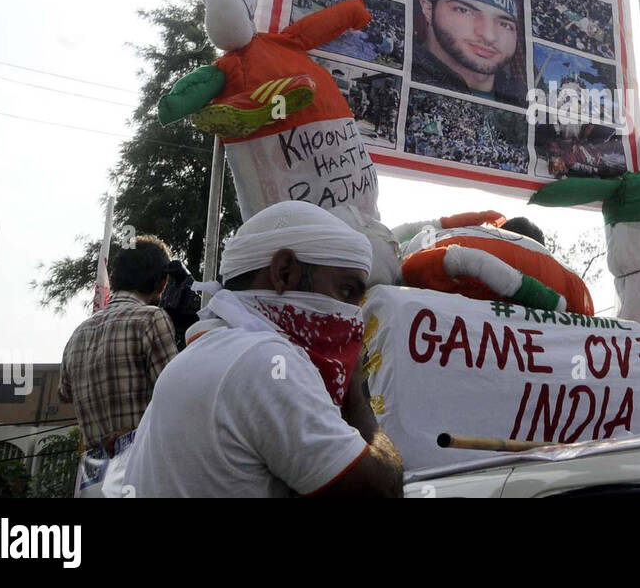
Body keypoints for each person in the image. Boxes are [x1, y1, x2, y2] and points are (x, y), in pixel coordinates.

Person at [119, 201, 404, 497]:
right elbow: (381, 490)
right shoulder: (265, 361)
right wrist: (353, 391)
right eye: (346, 291)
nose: (354, 318)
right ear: (284, 272)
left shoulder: (208, 351)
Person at [59, 235, 178, 456]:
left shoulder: (78, 333)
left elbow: (64, 394)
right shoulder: (151, 319)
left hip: (94, 473)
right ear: (162, 283)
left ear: (115, 278)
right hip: (142, 463)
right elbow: (177, 395)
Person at [412, 0, 526, 105]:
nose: (489, 36)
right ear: (428, 10)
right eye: (464, 10)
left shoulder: (522, 97)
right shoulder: (403, 69)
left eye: (504, 24)